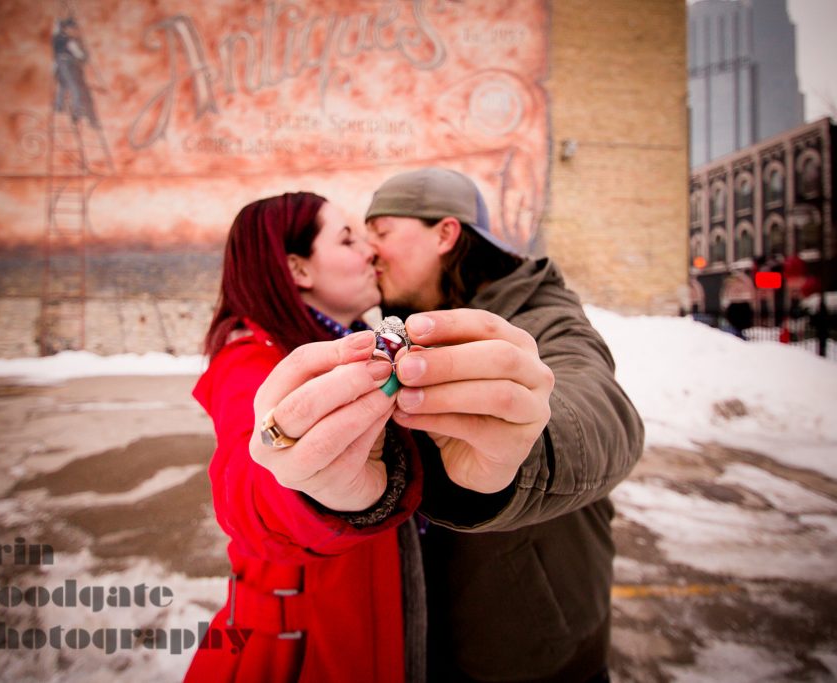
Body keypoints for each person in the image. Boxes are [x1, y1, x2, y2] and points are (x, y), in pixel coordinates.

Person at [360, 167, 645, 682]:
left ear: (445, 234)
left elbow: (604, 411)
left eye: (381, 231)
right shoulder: (413, 324)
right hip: (430, 640)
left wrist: (521, 443)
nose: (369, 251)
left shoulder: (543, 314)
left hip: (530, 653)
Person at [183, 193, 423, 683]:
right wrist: (315, 490)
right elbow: (249, 490)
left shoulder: (351, 344)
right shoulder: (251, 362)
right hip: (293, 656)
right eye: (348, 240)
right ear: (298, 269)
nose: (370, 252)